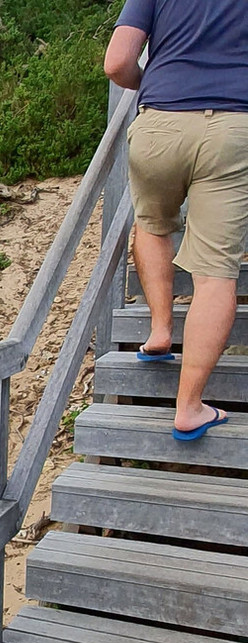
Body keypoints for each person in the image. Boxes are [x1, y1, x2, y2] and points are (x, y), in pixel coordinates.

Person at [104, 0, 248, 440]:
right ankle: (189, 407)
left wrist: (157, 85)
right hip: (233, 126)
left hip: (161, 121)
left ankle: (161, 330)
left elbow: (117, 63)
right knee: (215, 273)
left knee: (151, 224)